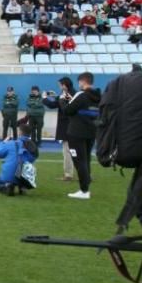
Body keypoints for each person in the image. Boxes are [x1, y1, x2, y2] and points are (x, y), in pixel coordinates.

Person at [61, 72, 101, 200]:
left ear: (82, 82)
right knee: (86, 159)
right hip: (91, 132)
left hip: (77, 133)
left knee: (79, 161)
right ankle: (86, 188)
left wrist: (62, 100)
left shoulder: (81, 95)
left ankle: (84, 191)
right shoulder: (99, 96)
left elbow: (68, 110)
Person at [0, 119, 38, 195]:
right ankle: (22, 187)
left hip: (9, 174)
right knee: (24, 166)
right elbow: (32, 159)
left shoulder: (11, 143)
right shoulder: (33, 146)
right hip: (24, 176)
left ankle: (7, 186)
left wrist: (3, 142)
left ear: (20, 132)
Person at [43, 77, 75, 181]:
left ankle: (68, 174)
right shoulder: (75, 93)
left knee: (67, 151)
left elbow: (53, 105)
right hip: (76, 126)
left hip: (67, 126)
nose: (60, 87)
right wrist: (56, 96)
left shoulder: (65, 94)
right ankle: (85, 173)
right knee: (78, 152)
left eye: (60, 85)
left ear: (64, 85)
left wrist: (44, 98)